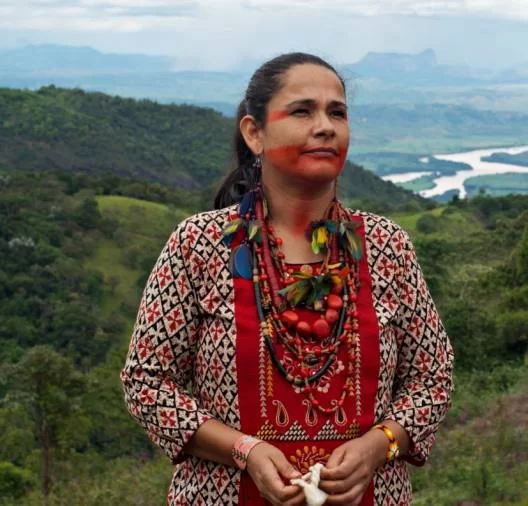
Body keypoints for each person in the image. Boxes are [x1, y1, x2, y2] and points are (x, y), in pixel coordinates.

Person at [120, 52, 454, 506]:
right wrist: (245, 450)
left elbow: (432, 377)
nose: (326, 127)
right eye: (302, 111)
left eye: (337, 113)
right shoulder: (199, 245)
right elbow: (147, 381)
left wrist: (381, 443)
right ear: (254, 133)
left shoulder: (386, 246)